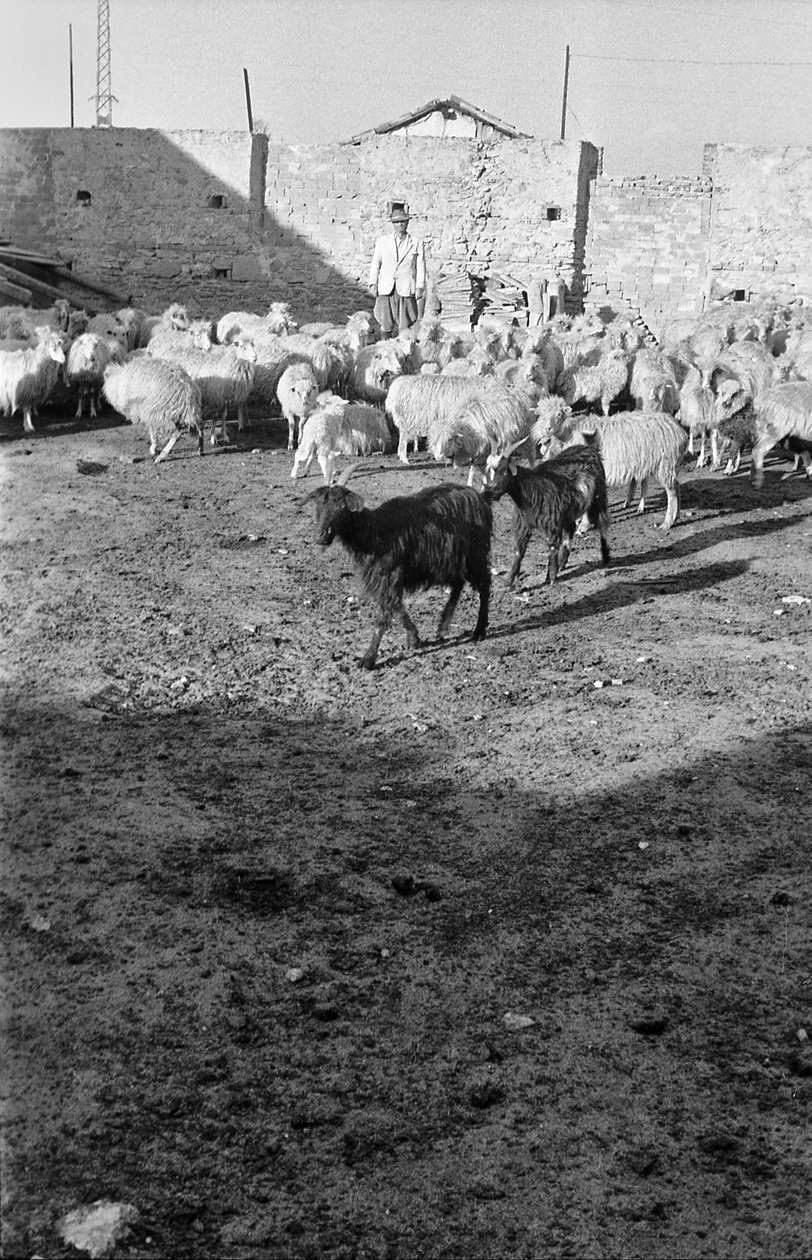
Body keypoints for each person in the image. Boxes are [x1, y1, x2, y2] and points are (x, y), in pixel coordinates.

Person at [368, 206, 426, 337]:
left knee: (405, 325)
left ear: (408, 222)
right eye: (398, 222)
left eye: (404, 221)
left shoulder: (416, 243)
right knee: (385, 323)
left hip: (405, 287)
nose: (401, 224)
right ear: (393, 224)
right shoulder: (382, 242)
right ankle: (385, 349)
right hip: (386, 287)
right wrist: (373, 283)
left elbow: (421, 266)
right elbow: (375, 263)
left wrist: (420, 287)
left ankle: (403, 352)